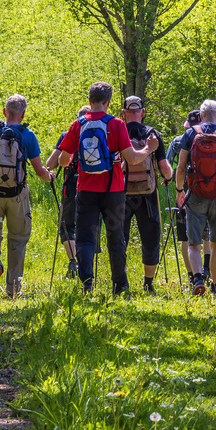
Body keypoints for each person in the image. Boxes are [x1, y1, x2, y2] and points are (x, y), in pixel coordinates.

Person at [57, 81, 159, 296]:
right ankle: (120, 286)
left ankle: (87, 284)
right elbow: (131, 158)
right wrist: (149, 150)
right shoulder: (116, 124)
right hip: (113, 190)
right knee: (115, 238)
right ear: (109, 102)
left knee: (85, 239)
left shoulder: (78, 124)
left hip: (85, 189)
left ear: (89, 100)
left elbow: (63, 161)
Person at [0, 94, 54, 297]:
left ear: (5, 112)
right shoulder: (28, 135)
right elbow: (40, 172)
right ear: (23, 114)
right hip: (18, 195)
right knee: (18, 239)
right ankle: (13, 288)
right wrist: (50, 177)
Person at [176, 98, 216, 296]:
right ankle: (215, 287)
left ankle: (197, 280)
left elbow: (180, 167)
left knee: (194, 243)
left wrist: (180, 190)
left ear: (201, 115)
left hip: (195, 194)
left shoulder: (190, 134)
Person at [121, 96, 173, 293]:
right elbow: (164, 168)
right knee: (150, 237)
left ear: (124, 113)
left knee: (120, 238)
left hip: (121, 194)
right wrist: (169, 178)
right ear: (142, 112)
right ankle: (148, 283)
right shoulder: (152, 134)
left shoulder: (117, 131)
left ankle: (121, 281)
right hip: (147, 194)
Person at [46, 105, 102, 279]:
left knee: (67, 227)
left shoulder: (68, 135)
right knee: (92, 228)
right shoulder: (101, 133)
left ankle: (73, 262)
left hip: (71, 187)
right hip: (95, 188)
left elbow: (51, 163)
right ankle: (87, 267)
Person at [166, 109, 212, 288]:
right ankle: (206, 269)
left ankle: (193, 275)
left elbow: (168, 165)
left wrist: (170, 181)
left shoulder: (178, 141)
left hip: (184, 193)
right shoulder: (212, 138)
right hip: (207, 190)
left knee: (186, 237)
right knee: (206, 233)